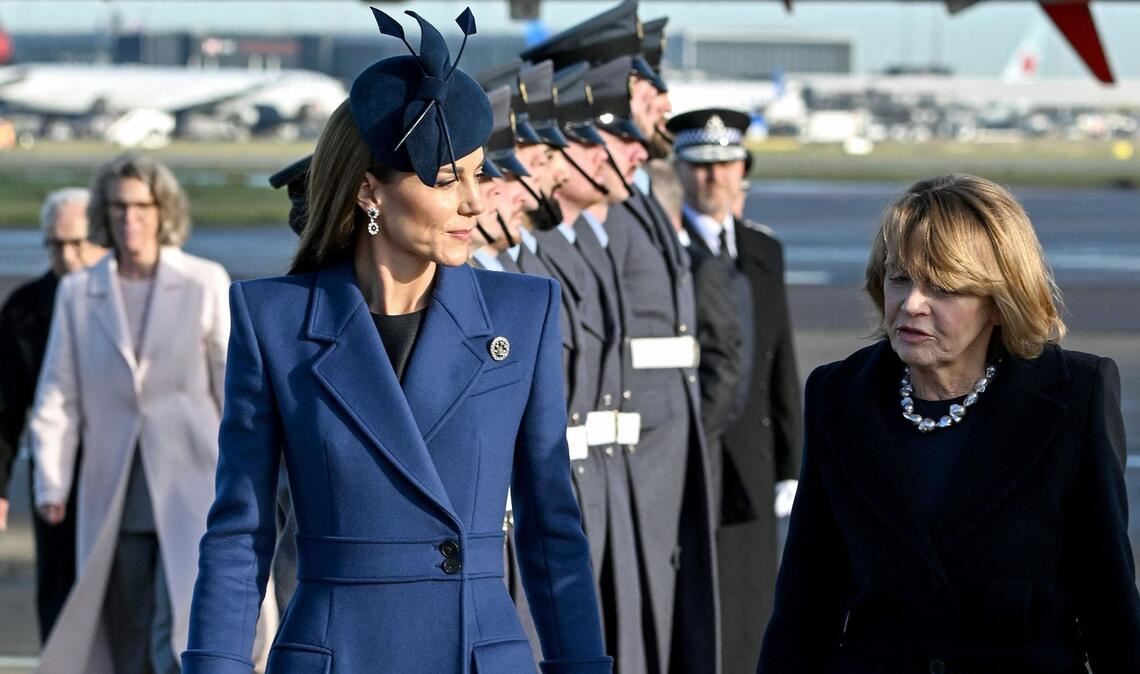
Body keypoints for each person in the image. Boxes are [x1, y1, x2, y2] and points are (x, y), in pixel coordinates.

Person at [182, 9, 611, 674]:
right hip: (334, 655)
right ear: (368, 192)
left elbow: (553, 531)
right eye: (446, 181)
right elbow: (240, 535)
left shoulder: (523, 314)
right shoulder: (274, 322)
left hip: (477, 653)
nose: (477, 202)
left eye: (478, 173)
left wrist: (581, 666)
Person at [757, 174, 1140, 673]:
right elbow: (805, 604)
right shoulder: (840, 396)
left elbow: (1108, 602)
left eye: (942, 286)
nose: (912, 304)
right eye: (899, 278)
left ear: (1000, 302)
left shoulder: (1074, 395)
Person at [29, 156, 238, 674]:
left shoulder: (203, 281)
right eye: (119, 206)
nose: (130, 219)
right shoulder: (80, 292)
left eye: (141, 206)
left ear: (162, 210)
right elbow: (59, 393)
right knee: (125, 625)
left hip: (193, 478)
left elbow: (235, 386)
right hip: (115, 486)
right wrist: (51, 482)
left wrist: (245, 473)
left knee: (183, 624)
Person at [668, 108, 802, 674]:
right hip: (688, 453)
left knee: (752, 606)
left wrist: (791, 466)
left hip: (753, 455)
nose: (714, 178)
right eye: (701, 167)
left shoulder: (764, 250)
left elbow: (780, 360)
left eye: (725, 165)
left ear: (742, 169)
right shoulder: (664, 252)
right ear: (679, 171)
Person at [0, 188, 105, 641]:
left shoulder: (127, 300)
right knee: (59, 594)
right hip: (56, 473)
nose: (67, 255)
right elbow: (5, 408)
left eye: (77, 242)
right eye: (55, 244)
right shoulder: (26, 308)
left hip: (123, 469)